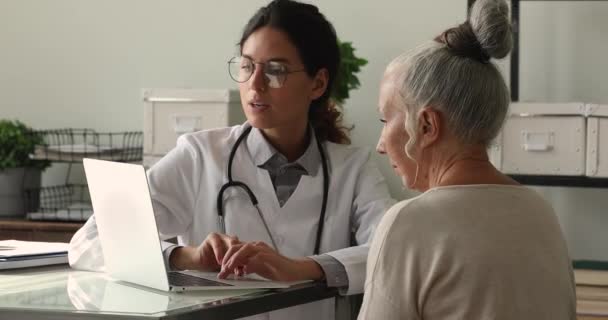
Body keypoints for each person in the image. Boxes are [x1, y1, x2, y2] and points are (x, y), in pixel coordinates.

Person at [68, 1, 395, 319]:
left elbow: (393, 251)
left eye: (276, 71)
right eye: (247, 66)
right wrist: (186, 257)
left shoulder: (352, 168)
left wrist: (298, 268)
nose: (255, 84)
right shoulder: (199, 156)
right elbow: (90, 242)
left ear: (318, 83)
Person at [357, 0, 576, 319]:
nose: (380, 145)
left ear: (427, 125)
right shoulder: (541, 212)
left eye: (384, 121)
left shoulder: (409, 223)